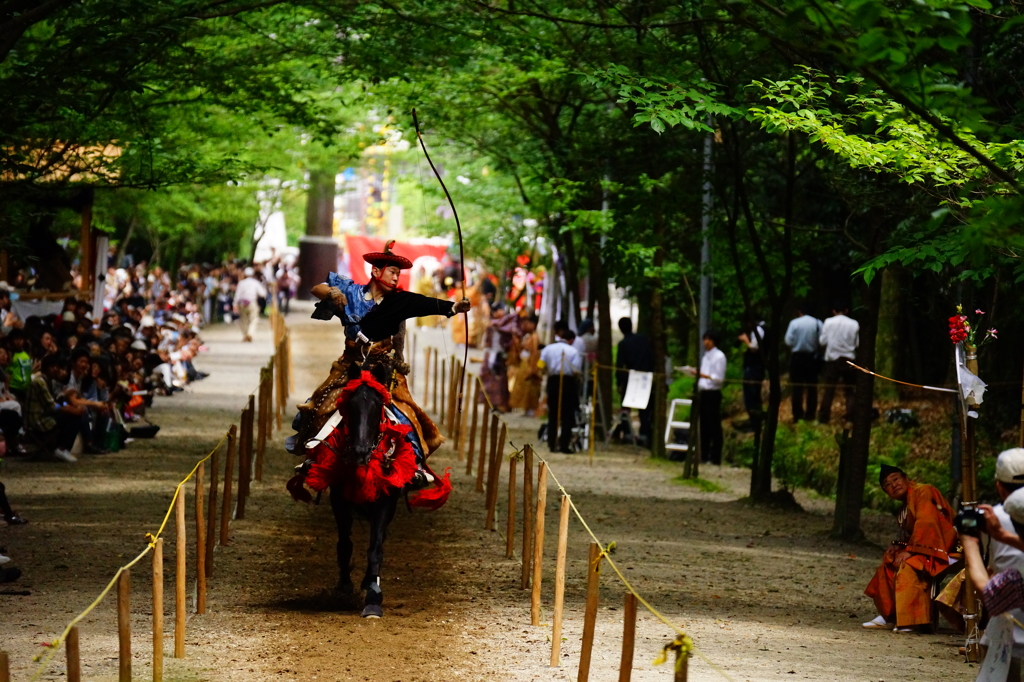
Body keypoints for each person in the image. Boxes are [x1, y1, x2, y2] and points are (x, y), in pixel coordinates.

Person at [293, 240, 470, 493]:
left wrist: (454, 307)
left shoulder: (399, 301)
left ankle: (415, 466)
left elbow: (426, 303)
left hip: (384, 369)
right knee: (319, 404)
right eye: (392, 271)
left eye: (399, 273)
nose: (397, 276)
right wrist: (332, 294)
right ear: (376, 272)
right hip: (350, 365)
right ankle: (312, 458)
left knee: (407, 414)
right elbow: (316, 287)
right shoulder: (351, 292)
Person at [862, 464, 957, 632]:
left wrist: (911, 550)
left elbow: (927, 523)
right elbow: (914, 534)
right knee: (891, 561)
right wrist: (900, 547)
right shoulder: (905, 505)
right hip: (928, 546)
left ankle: (911, 620)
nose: (893, 485)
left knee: (909, 564)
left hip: (948, 547)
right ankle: (890, 615)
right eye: (888, 485)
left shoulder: (923, 491)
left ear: (906, 479)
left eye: (896, 479)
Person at [25, 354, 87, 462]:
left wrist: (65, 401)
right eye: (52, 366)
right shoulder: (39, 382)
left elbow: (56, 402)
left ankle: (62, 448)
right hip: (38, 420)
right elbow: (53, 406)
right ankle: (63, 448)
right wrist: (73, 410)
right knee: (74, 417)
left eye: (57, 366)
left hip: (45, 414)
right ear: (46, 367)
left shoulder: (48, 381)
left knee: (74, 414)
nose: (55, 369)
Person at [540, 329, 582, 453]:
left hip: (553, 381)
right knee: (567, 415)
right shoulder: (574, 351)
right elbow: (576, 371)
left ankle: (551, 443)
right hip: (568, 383)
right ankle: (564, 444)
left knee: (553, 413)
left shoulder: (548, 349)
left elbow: (540, 364)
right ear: (571, 340)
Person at [615, 317, 655, 447]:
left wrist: (619, 382)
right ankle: (644, 434)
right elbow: (651, 356)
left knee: (626, 407)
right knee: (644, 408)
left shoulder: (623, 344)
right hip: (644, 376)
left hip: (630, 376)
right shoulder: (644, 339)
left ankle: (627, 433)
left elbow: (620, 364)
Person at [818, 301, 859, 423]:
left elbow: (822, 341)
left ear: (833, 311)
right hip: (849, 360)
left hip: (833, 360)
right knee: (850, 390)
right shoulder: (854, 323)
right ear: (846, 310)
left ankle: (824, 417)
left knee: (829, 389)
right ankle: (851, 416)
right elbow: (857, 344)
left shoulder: (828, 322)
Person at [692, 330, 726, 465]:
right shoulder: (705, 356)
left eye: (709, 340)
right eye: (704, 339)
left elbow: (718, 378)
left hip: (713, 392)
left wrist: (702, 375)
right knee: (704, 425)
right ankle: (704, 455)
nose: (705, 342)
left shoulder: (719, 356)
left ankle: (715, 457)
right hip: (703, 392)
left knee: (714, 425)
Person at [784, 301, 822, 422]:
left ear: (800, 311)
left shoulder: (794, 323)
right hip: (812, 358)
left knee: (797, 388)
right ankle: (811, 414)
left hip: (798, 358)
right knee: (812, 387)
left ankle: (797, 414)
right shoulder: (817, 323)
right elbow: (822, 340)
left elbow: (788, 341)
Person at [508, 313, 542, 416]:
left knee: (529, 389)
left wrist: (533, 368)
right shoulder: (529, 336)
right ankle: (524, 408)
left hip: (530, 365)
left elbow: (535, 354)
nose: (525, 325)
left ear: (533, 324)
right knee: (522, 388)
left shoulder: (535, 338)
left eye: (527, 323)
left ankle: (529, 409)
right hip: (524, 364)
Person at [737, 317, 766, 431]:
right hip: (755, 367)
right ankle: (754, 421)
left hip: (754, 368)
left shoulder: (758, 330)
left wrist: (745, 340)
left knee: (751, 395)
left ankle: (755, 423)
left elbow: (754, 348)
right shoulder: (758, 330)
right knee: (752, 395)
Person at [233, 267, 266, 342]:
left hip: (241, 303)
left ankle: (245, 335)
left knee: (243, 319)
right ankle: (250, 333)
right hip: (252, 302)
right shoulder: (255, 283)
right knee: (254, 319)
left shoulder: (241, 283)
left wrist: (234, 304)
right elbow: (262, 293)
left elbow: (237, 295)